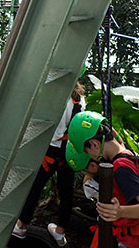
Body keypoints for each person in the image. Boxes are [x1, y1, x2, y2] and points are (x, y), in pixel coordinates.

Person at [65, 112, 139, 248]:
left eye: (87, 152)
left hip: (133, 240)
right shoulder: (128, 154)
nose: (92, 157)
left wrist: (120, 212)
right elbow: (118, 143)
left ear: (94, 144)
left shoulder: (120, 167)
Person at [11, 82, 86, 246]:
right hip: (69, 150)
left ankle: (21, 224)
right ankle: (60, 232)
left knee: (36, 187)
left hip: (52, 149)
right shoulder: (80, 99)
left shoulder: (56, 98)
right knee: (66, 192)